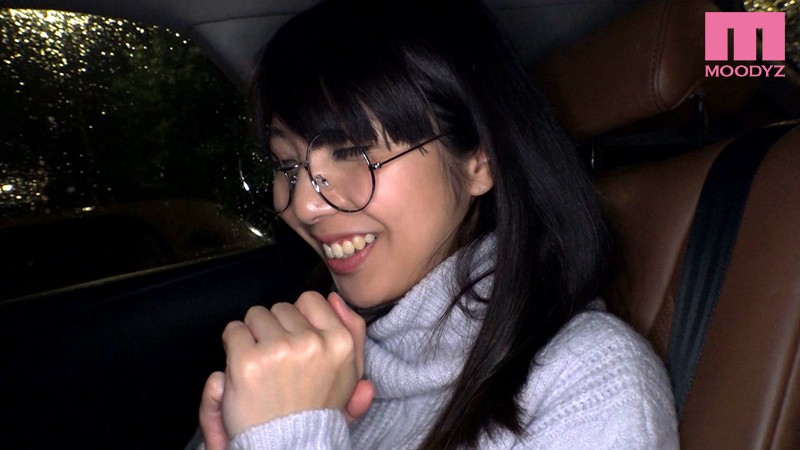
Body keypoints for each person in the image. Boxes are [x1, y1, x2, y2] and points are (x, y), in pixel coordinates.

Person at [192, 0, 679, 448]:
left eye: (353, 151)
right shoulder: (307, 363)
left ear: (480, 161)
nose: (303, 205)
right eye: (287, 165)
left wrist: (286, 435)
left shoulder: (593, 383)